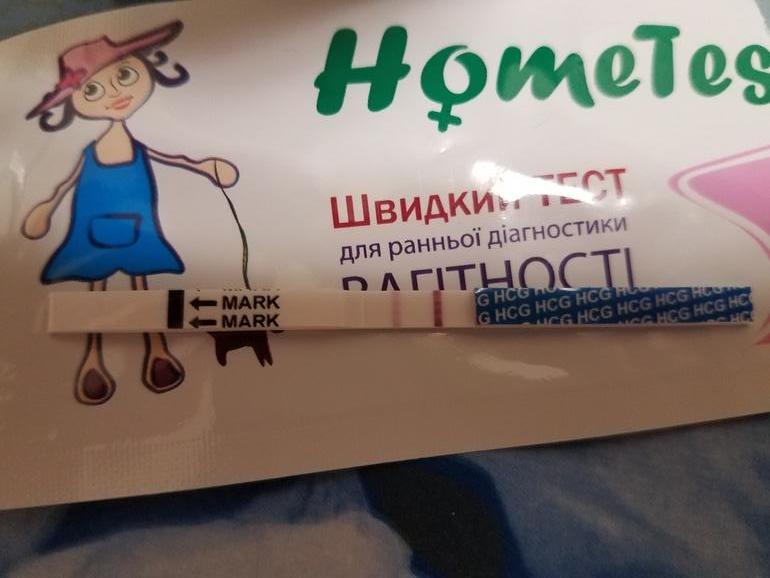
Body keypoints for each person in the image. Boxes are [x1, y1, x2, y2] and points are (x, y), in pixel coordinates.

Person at [22, 21, 239, 405]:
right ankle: (93, 360)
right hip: (93, 229)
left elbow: (175, 158)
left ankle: (157, 351)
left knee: (141, 289)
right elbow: (64, 185)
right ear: (75, 101)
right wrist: (45, 209)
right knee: (97, 291)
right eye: (93, 89)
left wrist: (206, 167)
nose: (115, 94)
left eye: (124, 76)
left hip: (138, 229)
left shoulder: (139, 147)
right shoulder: (89, 153)